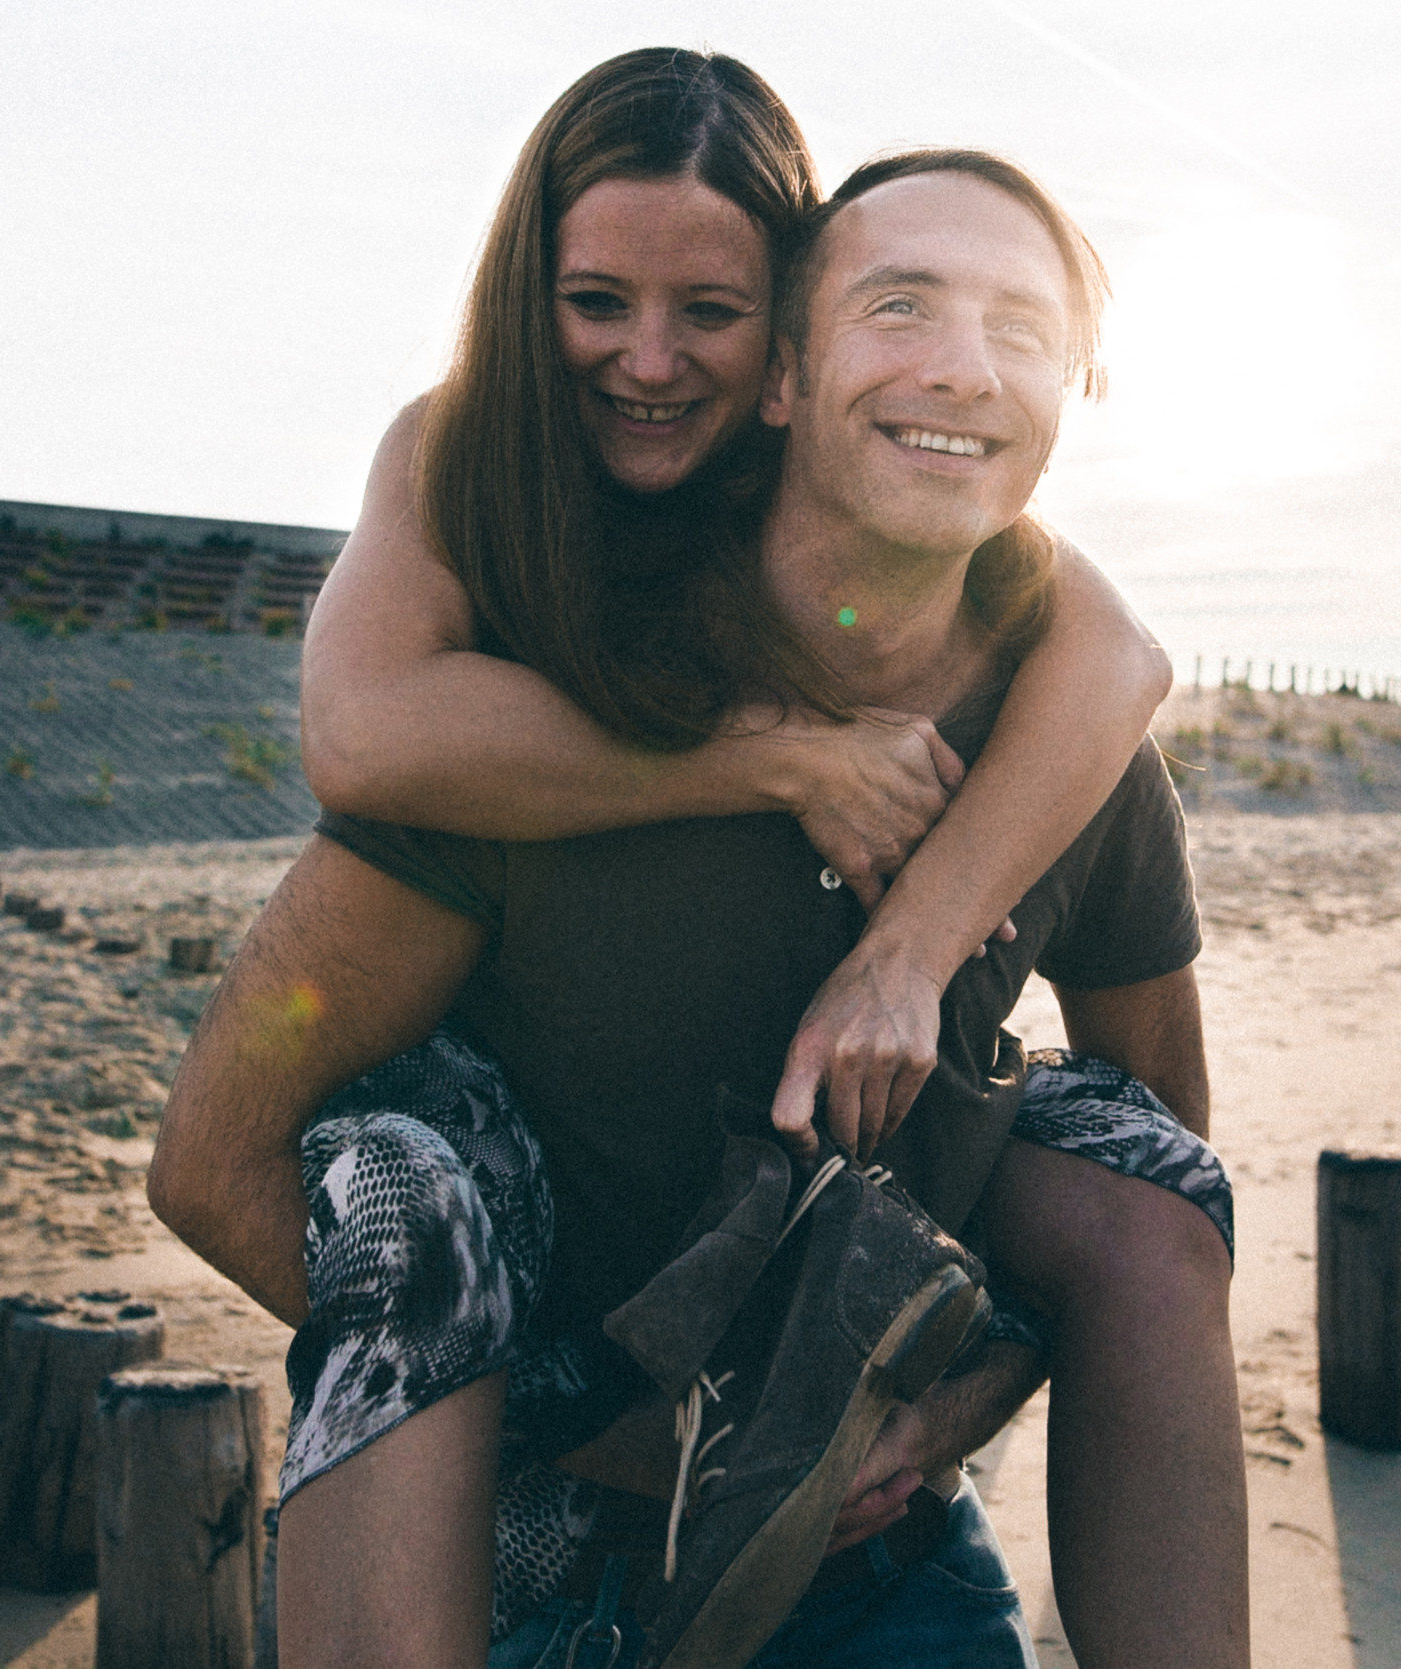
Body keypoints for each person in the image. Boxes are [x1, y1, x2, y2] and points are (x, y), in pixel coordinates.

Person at [151, 52, 1245, 1669]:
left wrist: (948, 1406)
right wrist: (574, 1446)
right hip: (529, 1524)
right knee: (403, 1179)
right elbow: (226, 1118)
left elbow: (1116, 654)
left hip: (851, 1543)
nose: (651, 362)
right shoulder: (522, 650)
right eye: (902, 311)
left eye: (1016, 332)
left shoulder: (1058, 721)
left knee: (1145, 1172)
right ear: (805, 376)